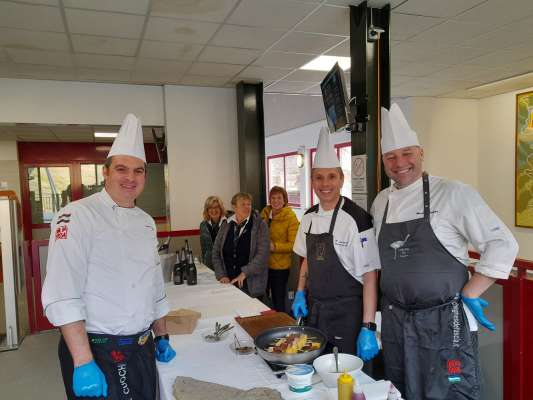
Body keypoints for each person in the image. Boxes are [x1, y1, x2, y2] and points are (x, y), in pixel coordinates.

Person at [371, 104, 519, 399]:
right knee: (398, 389)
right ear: (384, 161)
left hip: (444, 322)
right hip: (396, 321)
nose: (399, 162)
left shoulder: (453, 192)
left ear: (421, 153)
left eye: (407, 153)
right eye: (391, 156)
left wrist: (471, 292)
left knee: (450, 390)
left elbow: (503, 243)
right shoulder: (380, 202)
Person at [41, 114, 176, 400]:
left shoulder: (145, 222)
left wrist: (161, 334)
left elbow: (154, 285)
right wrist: (83, 361)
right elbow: (63, 294)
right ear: (105, 172)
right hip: (96, 350)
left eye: (138, 171)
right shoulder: (76, 215)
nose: (130, 178)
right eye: (121, 169)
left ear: (145, 176)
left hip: (142, 347)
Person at [291, 127, 381, 360]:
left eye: (332, 176)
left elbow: (370, 275)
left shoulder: (357, 219)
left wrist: (368, 326)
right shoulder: (308, 217)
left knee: (347, 383)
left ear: (341, 178)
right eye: (319, 177)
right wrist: (300, 292)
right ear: (312, 181)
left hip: (348, 315)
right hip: (316, 311)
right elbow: (306, 261)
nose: (325, 183)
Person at [212, 192, 269, 298]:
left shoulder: (260, 225)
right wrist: (221, 275)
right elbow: (215, 253)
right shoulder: (226, 224)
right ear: (234, 207)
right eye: (243, 204)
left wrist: (244, 273)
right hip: (227, 284)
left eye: (249, 204)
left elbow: (263, 256)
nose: (247, 207)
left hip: (251, 285)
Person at [260, 186, 300, 312]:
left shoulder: (290, 217)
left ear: (284, 200)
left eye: (279, 198)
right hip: (262, 264)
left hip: (280, 267)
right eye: (273, 198)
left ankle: (281, 326)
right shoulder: (264, 214)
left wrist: (275, 247)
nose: (276, 201)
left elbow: (293, 244)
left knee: (278, 301)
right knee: (263, 299)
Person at [199, 195, 226, 270]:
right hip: (209, 265)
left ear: (221, 209)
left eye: (216, 207)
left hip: (225, 266)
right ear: (207, 210)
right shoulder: (203, 225)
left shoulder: (228, 223)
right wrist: (205, 266)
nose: (213, 210)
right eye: (210, 208)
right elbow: (204, 249)